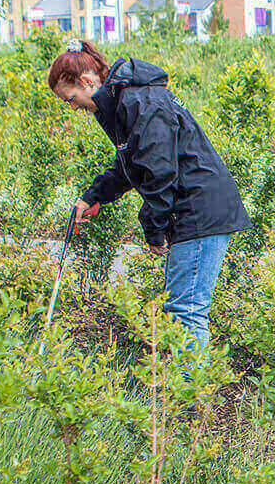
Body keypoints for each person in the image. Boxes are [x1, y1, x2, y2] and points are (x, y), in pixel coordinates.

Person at [48, 40, 251, 351]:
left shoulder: (140, 101)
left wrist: (154, 229)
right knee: (183, 310)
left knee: (187, 313)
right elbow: (131, 163)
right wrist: (92, 196)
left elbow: (159, 171)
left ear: (87, 81)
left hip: (199, 208)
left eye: (71, 99)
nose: (73, 107)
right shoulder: (122, 101)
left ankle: (192, 398)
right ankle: (188, 393)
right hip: (192, 207)